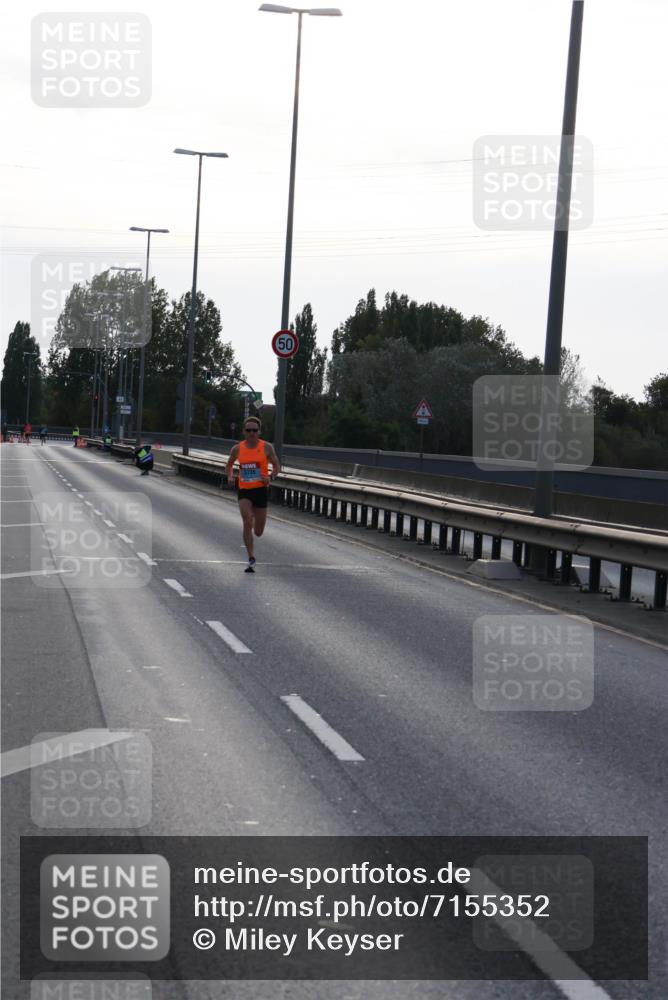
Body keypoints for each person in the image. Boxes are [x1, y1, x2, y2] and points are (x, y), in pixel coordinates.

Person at [225, 417, 280, 573]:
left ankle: (255, 519)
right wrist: (230, 476)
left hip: (261, 490)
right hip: (245, 490)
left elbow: (277, 466)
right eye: (248, 430)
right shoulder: (237, 449)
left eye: (254, 430)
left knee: (258, 532)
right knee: (247, 521)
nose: (251, 433)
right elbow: (229, 465)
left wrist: (270, 477)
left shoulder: (267, 448)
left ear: (259, 432)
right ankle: (251, 558)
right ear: (244, 431)